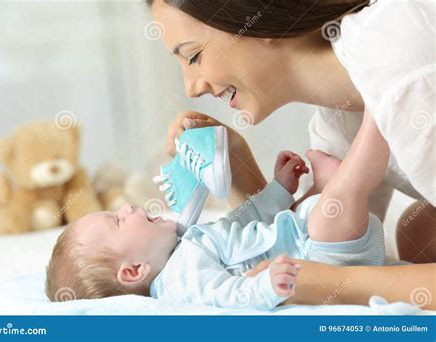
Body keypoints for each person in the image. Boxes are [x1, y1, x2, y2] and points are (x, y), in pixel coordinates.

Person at [145, 0, 435, 308]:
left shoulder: (401, 58)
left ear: (255, 17)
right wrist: (236, 159)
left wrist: (331, 285)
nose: (191, 88)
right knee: (419, 232)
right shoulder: (336, 118)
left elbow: (323, 271)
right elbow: (314, 243)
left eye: (194, 56)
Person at [45, 143, 386, 309]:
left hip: (303, 233)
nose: (127, 207)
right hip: (323, 259)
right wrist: (267, 287)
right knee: (336, 203)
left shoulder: (182, 244)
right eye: (118, 220)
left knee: (319, 209)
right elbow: (229, 298)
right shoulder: (180, 281)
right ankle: (374, 130)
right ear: (134, 270)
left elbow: (243, 221)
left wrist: (279, 189)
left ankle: (324, 188)